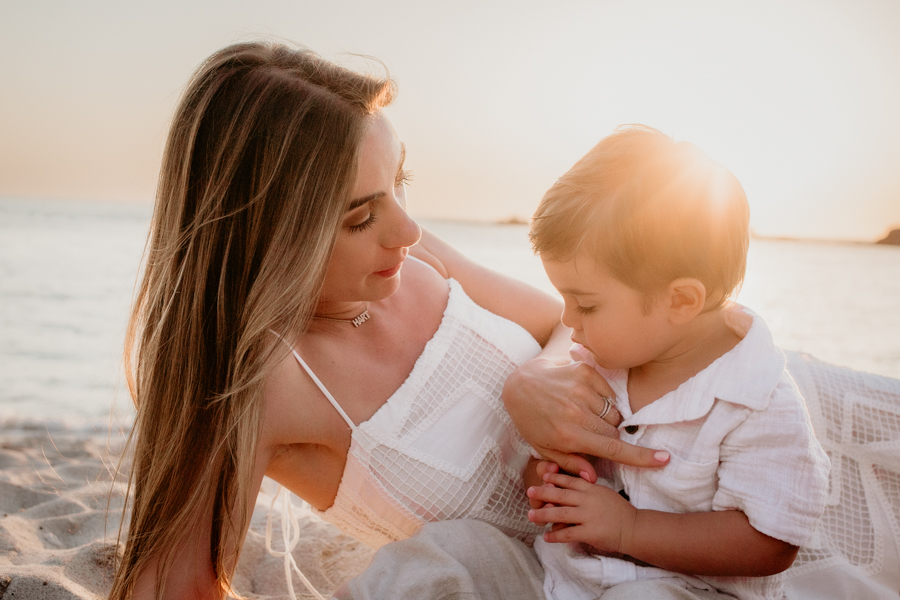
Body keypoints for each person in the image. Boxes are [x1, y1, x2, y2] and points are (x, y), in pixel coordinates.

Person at [109, 41, 666, 600]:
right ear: (265, 232)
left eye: (400, 183)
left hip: (688, 521)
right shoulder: (262, 382)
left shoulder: (411, 259)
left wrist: (537, 380)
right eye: (359, 215)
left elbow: (562, 322)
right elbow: (170, 587)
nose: (407, 230)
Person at [524, 125, 830, 600]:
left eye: (585, 305)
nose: (567, 321)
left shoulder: (758, 402)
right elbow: (553, 454)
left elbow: (769, 544)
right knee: (455, 549)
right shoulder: (604, 360)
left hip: (691, 590)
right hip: (565, 577)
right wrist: (554, 479)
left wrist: (630, 529)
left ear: (682, 301)